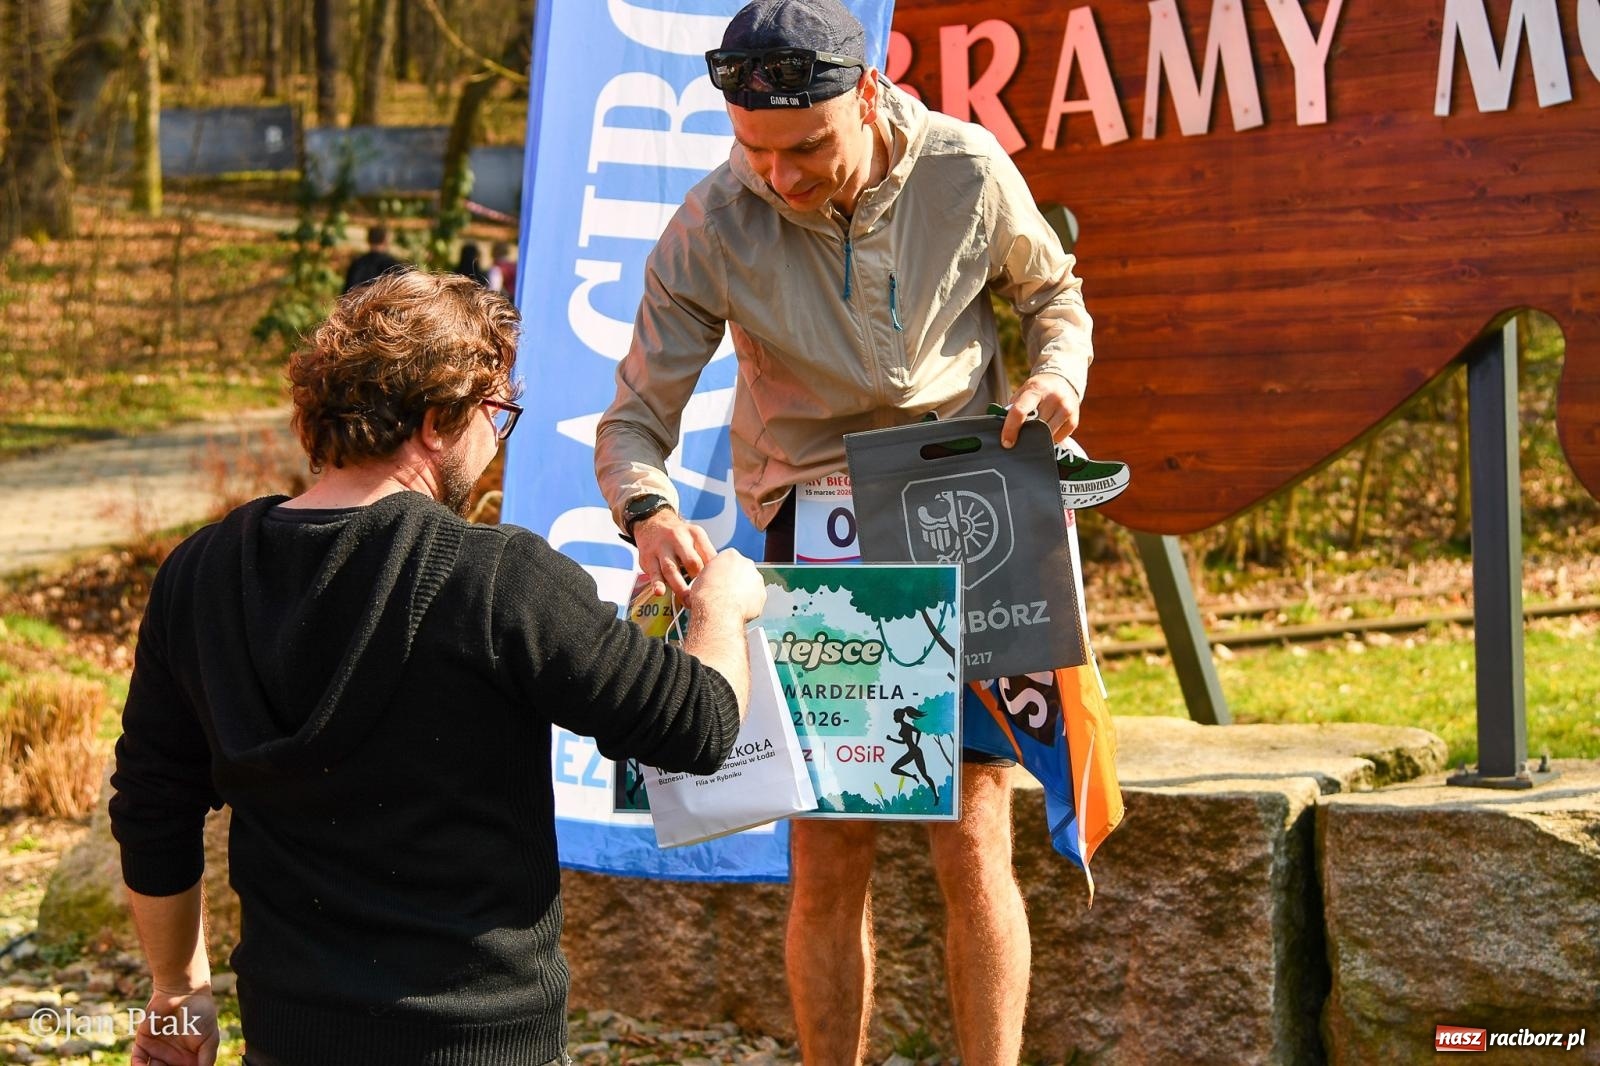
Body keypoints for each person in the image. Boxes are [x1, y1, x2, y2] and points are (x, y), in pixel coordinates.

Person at [593, 1, 1094, 1061]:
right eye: (754, 149)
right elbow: (636, 416)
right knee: (829, 855)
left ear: (867, 96)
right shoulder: (709, 223)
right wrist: (648, 508)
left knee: (971, 840)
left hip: (964, 511)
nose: (780, 175)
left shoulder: (965, 166)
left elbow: (1053, 292)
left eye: (807, 145)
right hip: (812, 531)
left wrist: (1055, 379)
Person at [108, 270, 768, 1066]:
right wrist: (722, 607)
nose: (497, 442)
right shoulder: (495, 580)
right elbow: (697, 725)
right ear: (436, 421)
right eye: (496, 416)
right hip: (482, 1041)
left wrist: (179, 994)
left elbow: (152, 804)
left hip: (291, 1035)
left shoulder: (200, 574)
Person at [341, 224, 403, 293]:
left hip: (360, 302)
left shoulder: (357, 264)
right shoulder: (393, 265)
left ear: (368, 240)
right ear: (386, 241)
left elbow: (347, 292)